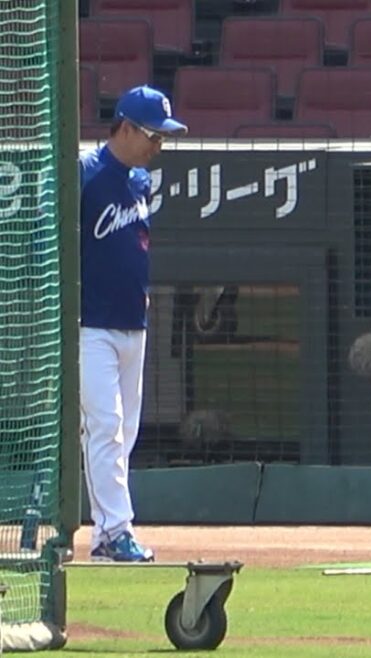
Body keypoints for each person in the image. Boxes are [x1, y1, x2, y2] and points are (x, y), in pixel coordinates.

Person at [80, 85, 187, 562]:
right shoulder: (85, 174)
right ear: (124, 128)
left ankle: (106, 535)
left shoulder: (140, 180)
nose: (158, 146)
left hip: (132, 323)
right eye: (152, 136)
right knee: (105, 427)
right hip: (90, 324)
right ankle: (116, 529)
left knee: (125, 430)